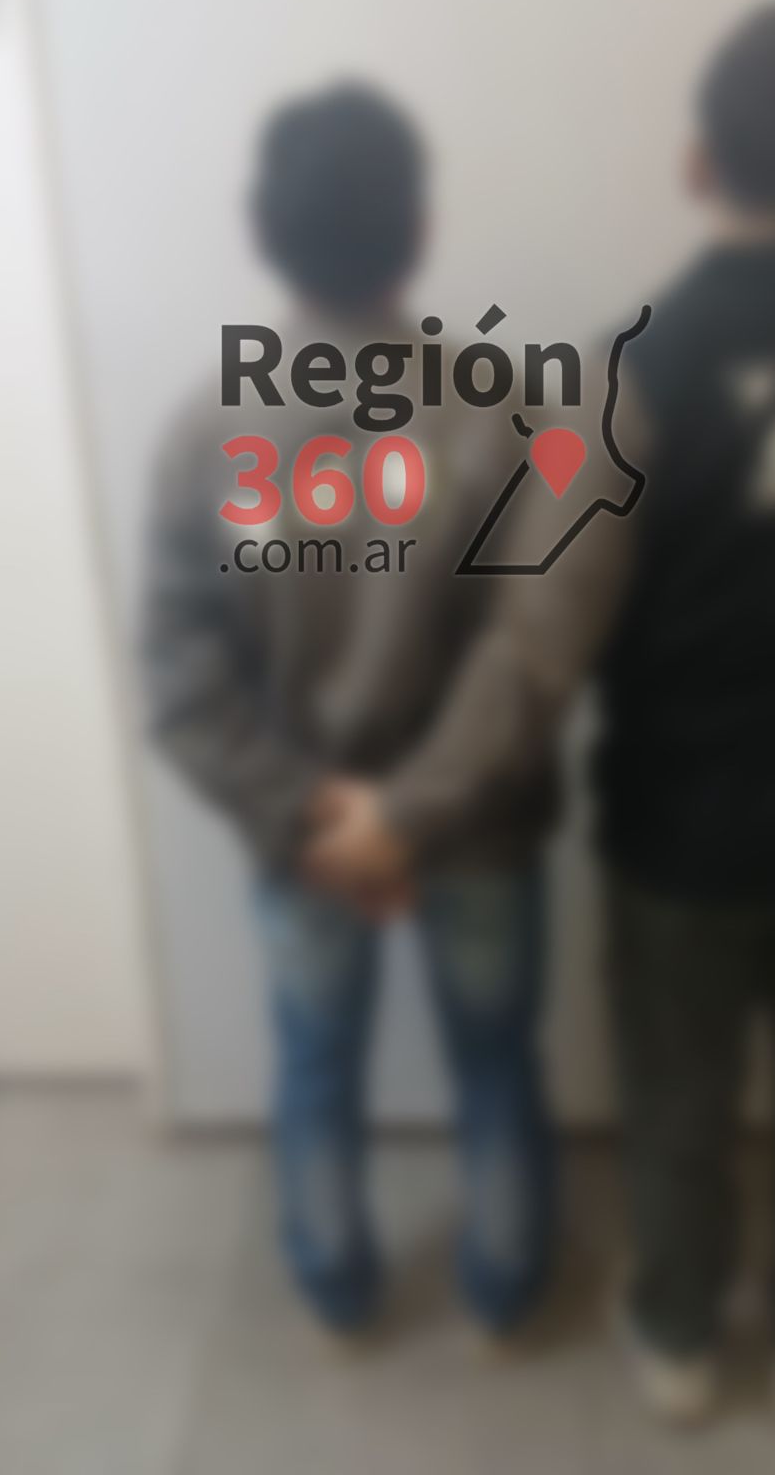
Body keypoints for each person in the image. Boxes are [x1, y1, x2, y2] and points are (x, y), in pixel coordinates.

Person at [309, 4, 775, 1430]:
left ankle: (682, 1337)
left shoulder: (616, 379)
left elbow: (537, 651)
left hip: (685, 842)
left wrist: (403, 808)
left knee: (680, 1103)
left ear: (697, 163)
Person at [141, 84, 558, 1339]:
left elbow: (177, 667)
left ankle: (334, 1283)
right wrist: (413, 814)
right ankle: (505, 1286)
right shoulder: (502, 405)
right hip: (477, 819)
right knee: (495, 1059)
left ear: (261, 234)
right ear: (420, 228)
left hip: (303, 832)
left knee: (315, 1063)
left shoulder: (209, 426)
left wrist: (316, 808)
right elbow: (531, 645)